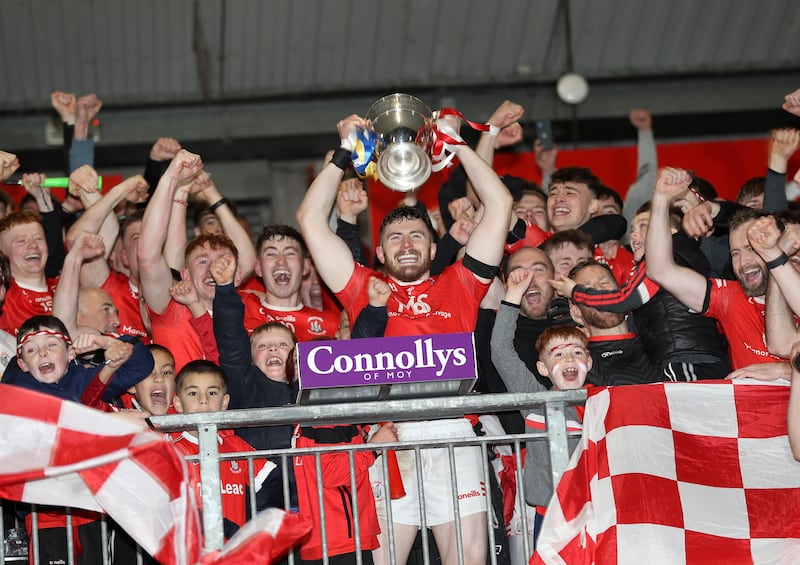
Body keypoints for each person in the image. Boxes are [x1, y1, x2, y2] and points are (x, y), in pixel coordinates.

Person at [296, 112, 514, 565]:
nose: (408, 243)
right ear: (379, 251)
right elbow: (309, 220)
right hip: (387, 438)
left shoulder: (461, 283)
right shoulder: (363, 288)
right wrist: (345, 153)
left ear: (435, 250)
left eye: (418, 235)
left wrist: (457, 146)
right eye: (395, 237)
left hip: (454, 432)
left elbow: (500, 205)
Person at [2, 315, 153, 565]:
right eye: (31, 349)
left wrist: (108, 343)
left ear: (71, 352)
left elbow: (141, 364)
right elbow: (49, 428)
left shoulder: (80, 379)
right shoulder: (18, 388)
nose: (42, 353)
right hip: (46, 512)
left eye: (52, 345)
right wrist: (110, 424)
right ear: (22, 363)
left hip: (91, 508)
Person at [552, 201, 731, 381]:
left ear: (669, 234)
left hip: (689, 357)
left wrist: (576, 291)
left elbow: (625, 299)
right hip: (687, 354)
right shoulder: (586, 363)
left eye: (645, 226)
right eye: (633, 230)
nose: (635, 234)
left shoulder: (662, 264)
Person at [646, 167, 786, 374]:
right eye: (735, 253)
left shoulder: (796, 294)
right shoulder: (730, 297)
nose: (744, 262)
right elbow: (660, 270)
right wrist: (660, 199)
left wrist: (784, 370)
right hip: (750, 405)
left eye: (750, 249)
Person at [170, 359, 277, 539]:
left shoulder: (235, 446)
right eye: (193, 393)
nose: (203, 400)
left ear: (224, 402)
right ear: (178, 404)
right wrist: (219, 525)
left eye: (212, 392)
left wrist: (259, 527)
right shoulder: (171, 451)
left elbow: (276, 485)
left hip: (233, 553)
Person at [566, 261, 663, 386]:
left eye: (605, 282)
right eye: (587, 290)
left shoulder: (658, 333)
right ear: (575, 310)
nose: (600, 291)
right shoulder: (579, 364)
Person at [241, 224, 339, 340]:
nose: (281, 261)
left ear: (305, 266)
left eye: (290, 253)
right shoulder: (242, 308)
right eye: (271, 254)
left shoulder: (332, 324)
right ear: (258, 268)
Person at [0, 211, 59, 335]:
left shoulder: (64, 285)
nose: (33, 245)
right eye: (21, 241)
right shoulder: (4, 295)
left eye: (38, 238)